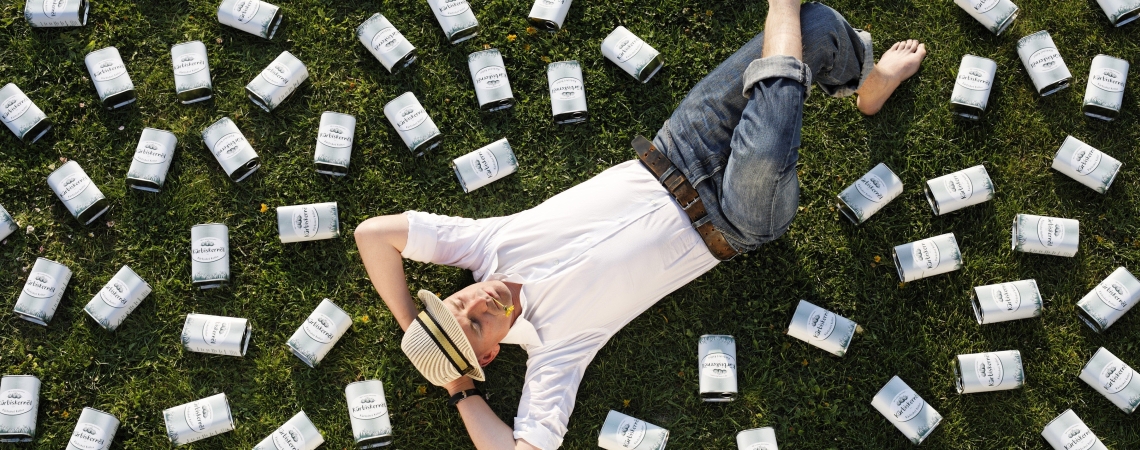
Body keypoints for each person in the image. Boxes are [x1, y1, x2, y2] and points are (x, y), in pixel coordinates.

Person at [353, 1, 927, 448]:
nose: (482, 303)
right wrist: (460, 390)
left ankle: (868, 89)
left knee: (819, 25)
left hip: (678, 148)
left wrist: (415, 324)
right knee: (779, 75)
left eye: (458, 304)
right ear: (493, 355)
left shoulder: (483, 244)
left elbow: (372, 235)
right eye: (477, 327)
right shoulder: (556, 354)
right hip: (732, 218)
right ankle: (783, 16)